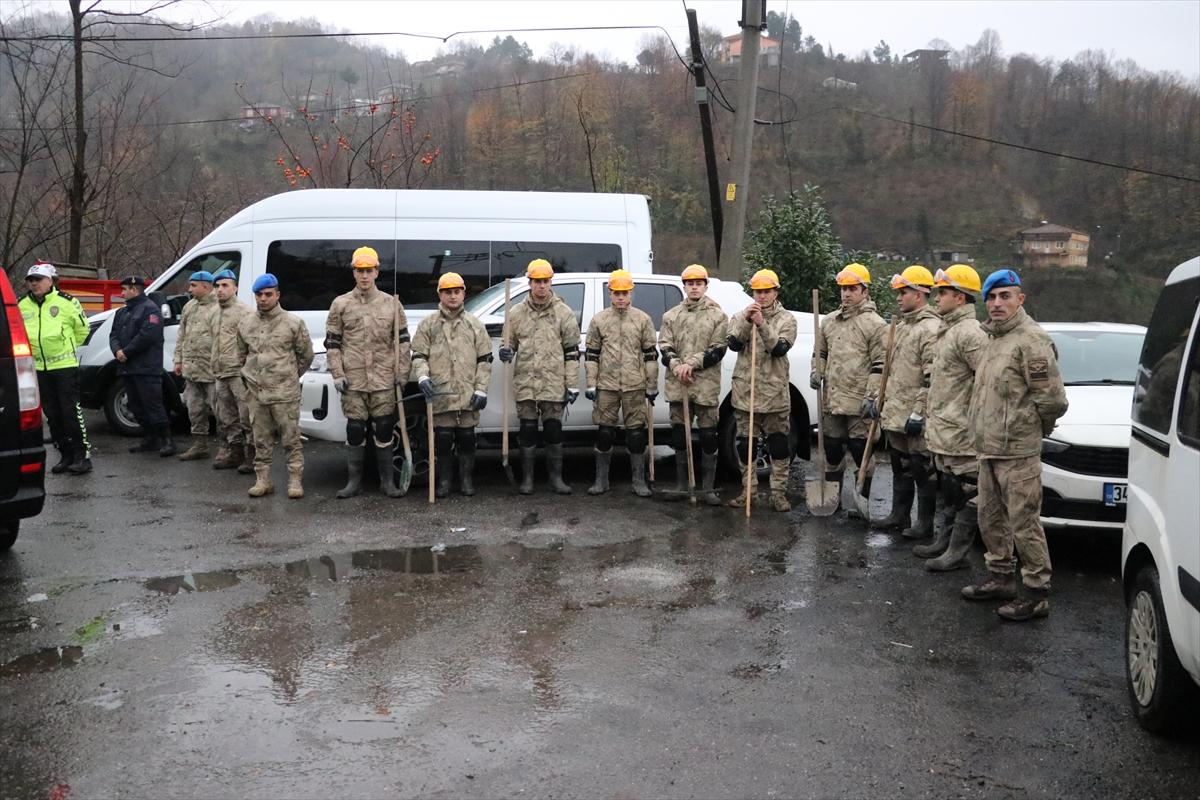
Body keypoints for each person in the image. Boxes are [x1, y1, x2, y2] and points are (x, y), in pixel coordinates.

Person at [962, 269, 1067, 621]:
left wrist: (1031, 430)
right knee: (989, 518)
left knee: (1024, 523)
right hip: (988, 447)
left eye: (1005, 296)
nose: (996, 304)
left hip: (1018, 451)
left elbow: (1051, 400)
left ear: (1020, 299)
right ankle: (1001, 578)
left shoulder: (1031, 341)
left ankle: (1036, 593)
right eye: (991, 297)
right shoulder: (993, 339)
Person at [323, 246, 410, 499]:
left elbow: (403, 342)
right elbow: (333, 343)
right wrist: (337, 373)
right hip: (354, 380)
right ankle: (354, 482)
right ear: (353, 273)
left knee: (384, 428)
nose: (364, 276)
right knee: (355, 429)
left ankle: (387, 482)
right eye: (359, 271)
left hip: (384, 379)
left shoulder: (391, 304)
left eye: (368, 271)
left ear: (376, 272)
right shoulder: (341, 304)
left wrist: (402, 375)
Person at [917, 265, 986, 570]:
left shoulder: (971, 334)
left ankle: (957, 553)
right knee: (948, 487)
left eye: (942, 292)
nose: (937, 298)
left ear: (960, 298)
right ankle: (944, 542)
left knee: (965, 492)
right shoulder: (948, 330)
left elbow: (986, 381)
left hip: (961, 431)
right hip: (944, 428)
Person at [499, 259, 581, 495]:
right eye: (537, 282)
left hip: (553, 382)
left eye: (545, 281)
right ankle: (527, 480)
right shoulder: (515, 313)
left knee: (553, 430)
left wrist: (572, 384)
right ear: (530, 282)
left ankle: (556, 479)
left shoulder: (563, 312)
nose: (542, 286)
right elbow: (509, 345)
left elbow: (572, 351)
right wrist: (506, 352)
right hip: (526, 382)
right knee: (527, 431)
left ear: (550, 282)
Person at [810, 263, 886, 513]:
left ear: (865, 291)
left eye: (852, 288)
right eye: (843, 289)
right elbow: (820, 352)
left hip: (859, 403)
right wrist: (816, 370)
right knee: (832, 451)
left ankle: (860, 500)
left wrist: (873, 396)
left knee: (860, 452)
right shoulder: (829, 321)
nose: (846, 294)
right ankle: (833, 501)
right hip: (833, 400)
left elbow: (881, 363)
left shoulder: (875, 324)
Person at [411, 272, 493, 497]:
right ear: (440, 294)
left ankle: (466, 481)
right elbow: (418, 355)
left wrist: (481, 388)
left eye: (457, 292)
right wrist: (423, 377)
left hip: (467, 393)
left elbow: (485, 360)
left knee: (467, 438)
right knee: (444, 439)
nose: (453, 296)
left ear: (464, 294)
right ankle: (445, 482)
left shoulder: (475, 324)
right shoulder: (428, 324)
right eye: (448, 292)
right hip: (442, 393)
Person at [873, 266, 940, 537]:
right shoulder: (899, 328)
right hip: (895, 412)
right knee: (900, 466)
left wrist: (919, 412)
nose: (899, 298)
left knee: (922, 470)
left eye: (904, 292)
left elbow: (931, 377)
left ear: (920, 293)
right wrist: (878, 397)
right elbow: (887, 370)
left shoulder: (930, 329)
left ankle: (924, 524)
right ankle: (899, 515)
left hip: (915, 416)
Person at [236, 273, 314, 499]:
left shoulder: (293, 323)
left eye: (268, 294)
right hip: (257, 393)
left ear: (277, 295)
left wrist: (288, 376)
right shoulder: (246, 323)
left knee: (291, 439)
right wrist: (251, 378)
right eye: (259, 295)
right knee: (260, 439)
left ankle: (295, 480)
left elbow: (306, 356)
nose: (263, 299)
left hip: (284, 393)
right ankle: (263, 479)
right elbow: (241, 355)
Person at [727, 268, 798, 512]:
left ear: (775, 292)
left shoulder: (787, 319)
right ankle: (749, 491)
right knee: (745, 446)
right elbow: (734, 343)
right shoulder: (739, 315)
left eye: (767, 291)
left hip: (774, 394)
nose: (762, 296)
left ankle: (778, 494)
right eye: (758, 291)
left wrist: (762, 324)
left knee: (778, 445)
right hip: (746, 393)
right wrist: (748, 322)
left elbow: (779, 348)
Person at [585, 269, 658, 497]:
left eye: (625, 293)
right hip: (606, 386)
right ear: (610, 293)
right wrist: (590, 383)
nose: (621, 297)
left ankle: (638, 481)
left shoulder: (642, 319)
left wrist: (651, 385)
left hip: (634, 386)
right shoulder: (599, 320)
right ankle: (601, 480)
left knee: (636, 435)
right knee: (605, 433)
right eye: (617, 293)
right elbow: (591, 355)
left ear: (631, 293)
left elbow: (650, 355)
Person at [658, 264, 727, 505]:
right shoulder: (671, 316)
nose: (694, 287)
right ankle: (682, 484)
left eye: (699, 283)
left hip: (704, 384)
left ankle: (707, 488)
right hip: (679, 385)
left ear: (706, 286)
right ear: (684, 286)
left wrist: (692, 364)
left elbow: (719, 348)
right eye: (690, 283)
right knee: (679, 435)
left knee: (709, 435)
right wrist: (677, 365)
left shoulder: (718, 315)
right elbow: (664, 346)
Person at [18, 261, 92, 474]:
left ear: (50, 281)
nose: (34, 284)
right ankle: (65, 455)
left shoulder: (67, 302)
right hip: (38, 367)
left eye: (38, 279)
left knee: (70, 411)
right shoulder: (22, 304)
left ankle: (82, 455)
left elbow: (82, 330)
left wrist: (65, 347)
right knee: (51, 414)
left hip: (64, 366)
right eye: (30, 280)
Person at [110, 275, 175, 456]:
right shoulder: (122, 312)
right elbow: (113, 335)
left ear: (134, 289)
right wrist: (117, 351)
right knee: (136, 405)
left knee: (153, 405)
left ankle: (166, 440)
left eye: (124, 290)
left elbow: (147, 336)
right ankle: (150, 438)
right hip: (128, 368)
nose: (122, 293)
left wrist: (126, 352)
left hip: (147, 367)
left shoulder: (150, 310)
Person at [209, 269, 255, 472]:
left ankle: (252, 457)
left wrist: (247, 370)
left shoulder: (244, 312)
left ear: (235, 288)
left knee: (246, 416)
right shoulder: (212, 313)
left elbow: (253, 344)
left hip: (238, 373)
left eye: (225, 285)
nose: (220, 290)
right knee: (226, 417)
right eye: (217, 286)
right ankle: (234, 453)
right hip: (220, 372)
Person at [173, 271, 219, 461]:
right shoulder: (189, 307)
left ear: (206, 287)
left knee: (222, 411)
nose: (189, 289)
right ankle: (200, 445)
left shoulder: (218, 307)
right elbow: (181, 335)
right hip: (192, 370)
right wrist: (178, 359)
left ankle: (230, 449)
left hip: (212, 370)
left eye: (193, 285)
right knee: (194, 409)